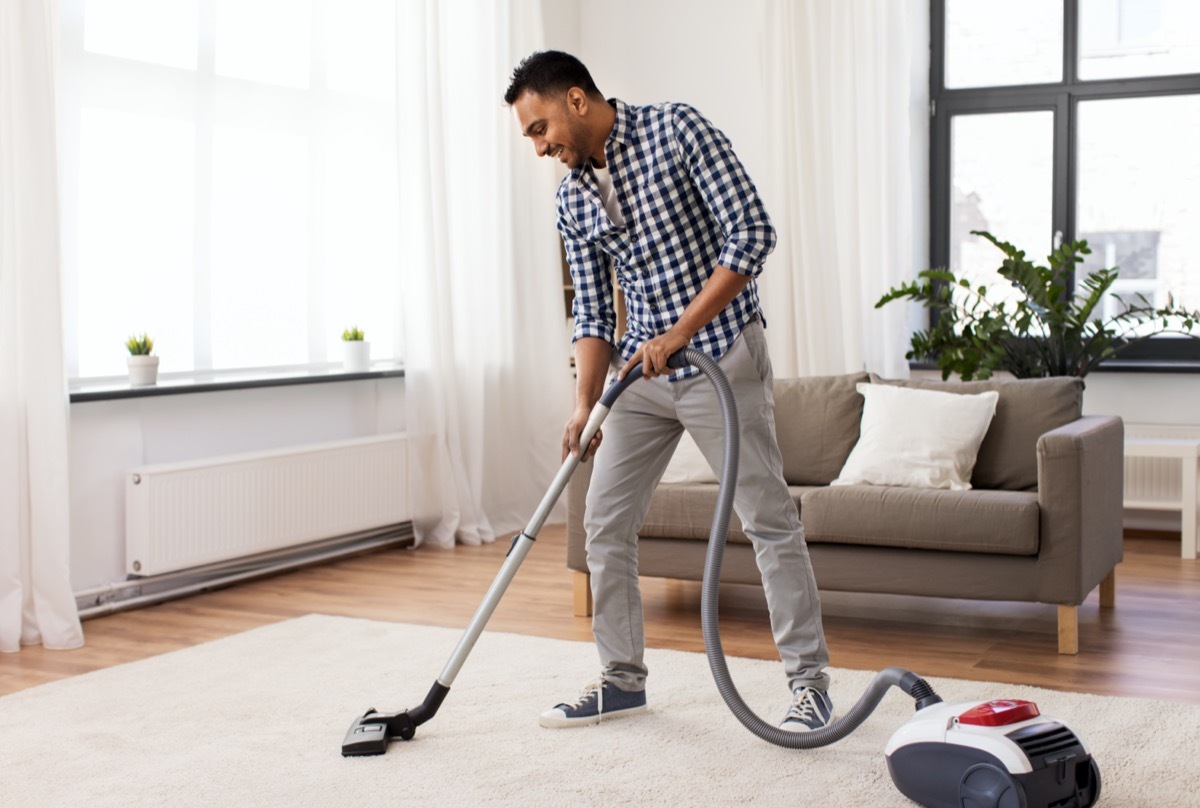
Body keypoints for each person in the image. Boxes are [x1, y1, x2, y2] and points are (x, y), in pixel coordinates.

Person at [504, 51, 832, 732]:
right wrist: (586, 404)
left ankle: (810, 685)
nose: (538, 148)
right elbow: (593, 313)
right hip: (641, 379)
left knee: (768, 521)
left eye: (539, 129)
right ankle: (622, 681)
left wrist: (681, 331)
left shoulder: (677, 131)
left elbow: (752, 234)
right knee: (604, 523)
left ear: (575, 99)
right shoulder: (572, 197)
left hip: (720, 358)